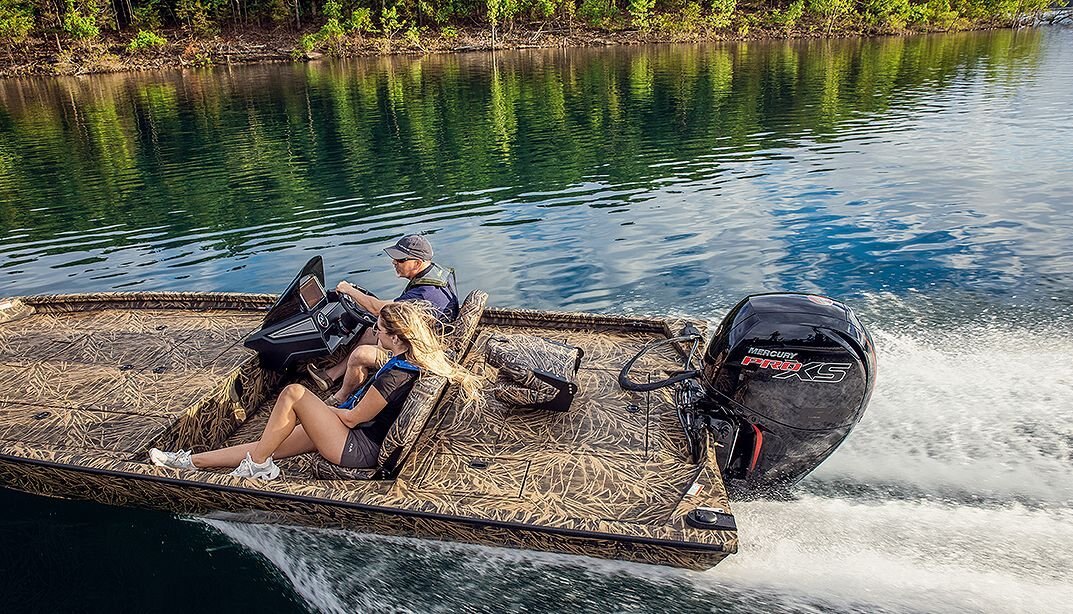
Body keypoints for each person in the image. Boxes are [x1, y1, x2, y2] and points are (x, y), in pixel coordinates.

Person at [148, 301, 483, 481]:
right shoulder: (405, 361)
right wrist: (320, 415)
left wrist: (321, 412)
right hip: (351, 434)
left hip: (356, 447)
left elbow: (352, 419)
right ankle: (188, 462)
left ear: (397, 337)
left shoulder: (395, 375)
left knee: (293, 393)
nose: (375, 334)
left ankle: (260, 465)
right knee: (269, 442)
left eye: (379, 330)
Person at [308, 234, 460, 404]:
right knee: (370, 333)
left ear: (417, 262)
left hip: (418, 356)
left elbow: (377, 308)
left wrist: (349, 290)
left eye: (400, 259)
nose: (394, 262)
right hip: (429, 338)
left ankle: (340, 399)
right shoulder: (436, 274)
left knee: (360, 355)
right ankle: (331, 376)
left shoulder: (424, 294)